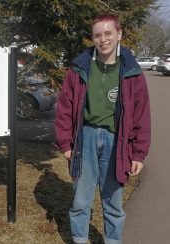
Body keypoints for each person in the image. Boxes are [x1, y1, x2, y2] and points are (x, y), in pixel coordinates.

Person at [55, 14, 151, 244]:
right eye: (97, 35)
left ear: (119, 34)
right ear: (93, 39)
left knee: (113, 200)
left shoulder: (132, 72)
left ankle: (113, 240)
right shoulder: (79, 68)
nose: (103, 39)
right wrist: (66, 144)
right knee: (81, 199)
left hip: (115, 141)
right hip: (84, 138)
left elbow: (141, 114)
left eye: (108, 33)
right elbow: (65, 108)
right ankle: (79, 238)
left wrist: (138, 153)